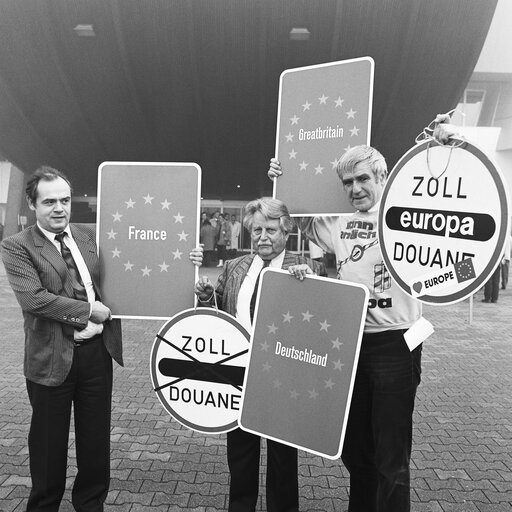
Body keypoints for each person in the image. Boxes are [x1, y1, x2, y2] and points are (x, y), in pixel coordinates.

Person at [268, 116, 456, 512]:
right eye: (347, 183)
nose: (355, 189)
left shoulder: (409, 211)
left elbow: (447, 194)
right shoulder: (335, 221)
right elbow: (285, 216)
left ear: (382, 176)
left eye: (363, 179)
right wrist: (281, 180)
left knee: (392, 457)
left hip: (396, 345)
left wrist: (442, 144)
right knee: (355, 451)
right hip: (348, 344)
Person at [1, 166, 203, 512]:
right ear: (32, 204)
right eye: (49, 202)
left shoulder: (88, 236)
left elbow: (140, 253)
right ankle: (44, 505)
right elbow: (34, 299)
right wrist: (87, 310)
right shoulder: (17, 246)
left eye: (65, 200)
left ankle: (90, 504)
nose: (60, 208)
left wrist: (188, 257)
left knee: (95, 444)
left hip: (97, 354)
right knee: (48, 448)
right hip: (51, 358)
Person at [195, 197, 312, 512]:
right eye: (257, 229)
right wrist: (206, 297)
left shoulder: (304, 266)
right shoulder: (236, 266)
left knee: (282, 457)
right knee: (241, 455)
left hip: (283, 376)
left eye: (271, 229)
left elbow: (319, 321)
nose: (263, 236)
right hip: (240, 372)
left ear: (286, 231)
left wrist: (309, 285)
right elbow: (216, 313)